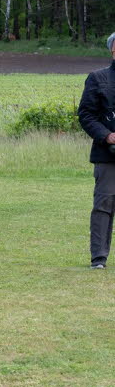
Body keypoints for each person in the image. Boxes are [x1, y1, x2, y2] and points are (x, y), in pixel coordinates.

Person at [76, 31, 115, 270]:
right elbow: (86, 115)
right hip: (107, 154)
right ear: (112, 49)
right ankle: (99, 258)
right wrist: (107, 135)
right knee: (104, 205)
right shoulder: (98, 78)